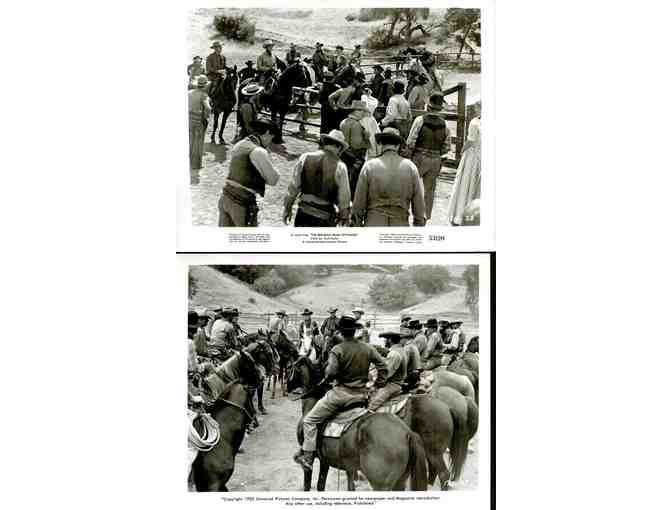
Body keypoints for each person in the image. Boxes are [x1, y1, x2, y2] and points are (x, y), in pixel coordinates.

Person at [294, 315, 388, 471]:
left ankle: (308, 457)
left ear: (341, 332)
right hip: (362, 396)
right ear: (354, 331)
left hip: (340, 395)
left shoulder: (337, 349)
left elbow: (330, 373)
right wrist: (377, 385)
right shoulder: (368, 348)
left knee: (309, 420)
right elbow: (383, 367)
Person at [351, 127, 426, 227]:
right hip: (400, 223)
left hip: (373, 222)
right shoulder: (410, 167)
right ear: (398, 145)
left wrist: (356, 224)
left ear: (380, 144)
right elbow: (419, 204)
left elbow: (359, 203)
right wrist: (419, 223)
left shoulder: (370, 166)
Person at [218, 119, 280, 227]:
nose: (271, 141)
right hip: (241, 203)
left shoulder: (241, 144)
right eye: (272, 138)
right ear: (267, 133)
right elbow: (273, 180)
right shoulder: (259, 151)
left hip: (225, 197)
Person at [283, 129, 351, 227]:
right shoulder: (340, 166)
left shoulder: (305, 157)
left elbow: (293, 187)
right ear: (339, 147)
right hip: (324, 215)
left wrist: (287, 207)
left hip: (304, 212)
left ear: (325, 143)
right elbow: (344, 197)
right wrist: (344, 216)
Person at [406, 92, 452, 221]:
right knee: (430, 190)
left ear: (428, 107)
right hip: (435, 159)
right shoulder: (445, 124)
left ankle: (407, 212)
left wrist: (410, 156)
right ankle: (424, 216)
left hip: (420, 156)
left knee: (410, 186)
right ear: (439, 109)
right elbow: (447, 146)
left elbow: (410, 141)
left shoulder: (420, 120)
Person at [446, 116, 481, 226]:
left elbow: (470, 141)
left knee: (465, 183)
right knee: (475, 185)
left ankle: (460, 214)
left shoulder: (475, 122)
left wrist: (462, 151)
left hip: (472, 156)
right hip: (481, 155)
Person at [369, 331, 408, 411]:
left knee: (370, 406)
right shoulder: (401, 350)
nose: (384, 341)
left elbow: (385, 374)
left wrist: (373, 382)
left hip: (392, 385)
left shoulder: (394, 354)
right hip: (396, 382)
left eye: (385, 339)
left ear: (389, 340)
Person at [339, 100, 371, 196]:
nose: (364, 114)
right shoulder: (357, 125)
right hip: (354, 158)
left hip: (343, 154)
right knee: (353, 184)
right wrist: (367, 140)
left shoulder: (344, 122)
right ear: (356, 111)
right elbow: (356, 144)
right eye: (362, 111)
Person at [188, 76, 212, 172]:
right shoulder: (204, 95)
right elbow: (208, 108)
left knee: (190, 141)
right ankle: (196, 164)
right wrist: (205, 117)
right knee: (198, 143)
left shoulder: (189, 93)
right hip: (198, 121)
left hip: (188, 119)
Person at [360, 92, 381, 160]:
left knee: (370, 137)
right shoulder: (375, 100)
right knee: (372, 137)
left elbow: (364, 106)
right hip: (371, 119)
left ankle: (370, 154)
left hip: (365, 119)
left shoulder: (363, 97)